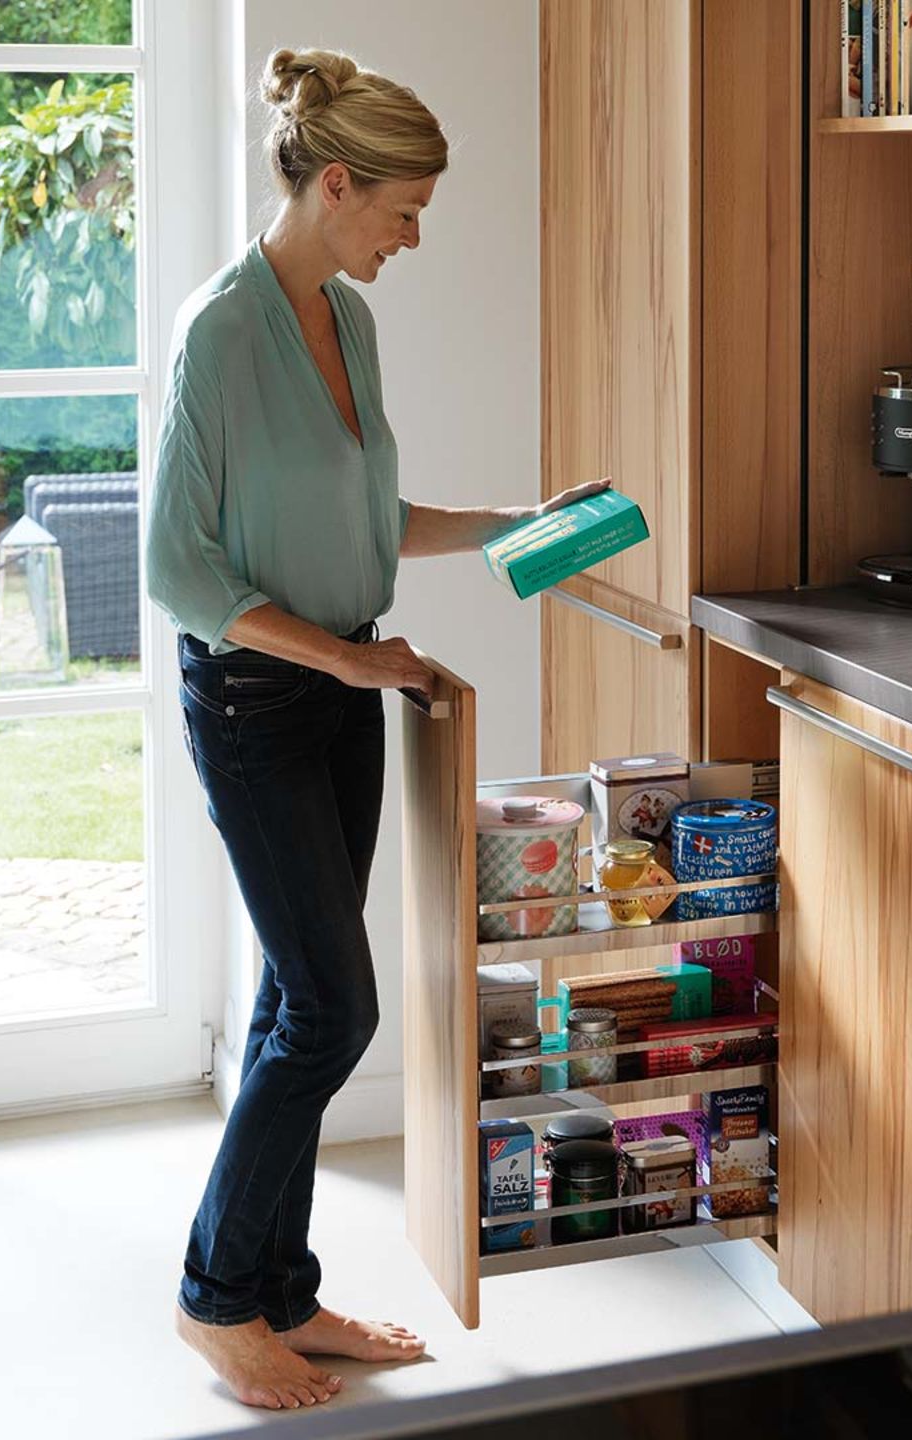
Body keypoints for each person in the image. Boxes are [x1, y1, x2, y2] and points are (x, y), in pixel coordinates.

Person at [145, 46, 607, 1411]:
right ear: (333, 182)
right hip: (261, 701)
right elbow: (186, 576)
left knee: (305, 998)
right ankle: (217, 1299)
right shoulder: (220, 336)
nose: (412, 238)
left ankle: (283, 1292)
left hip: (349, 689)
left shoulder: (347, 320)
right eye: (400, 210)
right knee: (334, 1009)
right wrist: (350, 664)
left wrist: (520, 523)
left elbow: (368, 524)